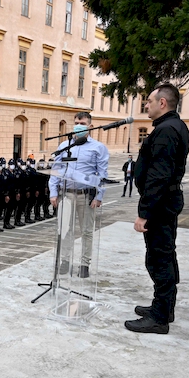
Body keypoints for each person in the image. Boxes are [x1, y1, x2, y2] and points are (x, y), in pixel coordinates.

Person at [126, 83, 189, 334]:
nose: (146, 104)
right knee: (165, 254)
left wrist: (144, 213)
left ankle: (159, 317)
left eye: (150, 101)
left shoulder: (166, 131)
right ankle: (164, 307)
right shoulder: (175, 126)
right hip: (167, 201)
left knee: (159, 258)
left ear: (162, 103)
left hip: (161, 204)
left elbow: (158, 176)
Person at [49, 112, 110, 279]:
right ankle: (65, 261)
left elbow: (103, 174)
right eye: (76, 122)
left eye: (82, 123)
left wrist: (99, 196)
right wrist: (53, 192)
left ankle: (84, 263)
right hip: (66, 194)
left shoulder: (98, 147)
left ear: (90, 126)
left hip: (86, 196)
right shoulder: (64, 146)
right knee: (65, 230)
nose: (78, 126)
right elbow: (55, 170)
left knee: (87, 231)